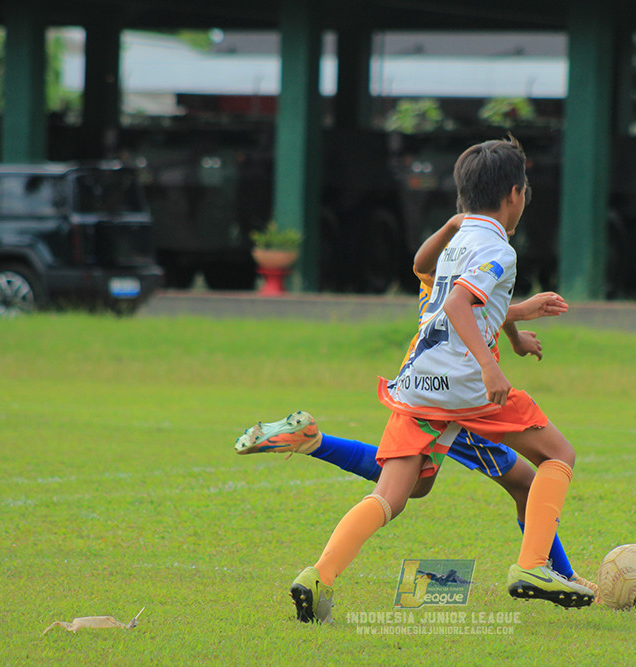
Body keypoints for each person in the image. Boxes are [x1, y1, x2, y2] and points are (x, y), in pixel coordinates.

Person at [287, 135, 593, 623]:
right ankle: (534, 565)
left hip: (417, 384)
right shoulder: (498, 248)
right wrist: (492, 366)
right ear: (515, 194)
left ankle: (318, 576)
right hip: (466, 387)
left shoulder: (458, 242)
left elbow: (428, 272)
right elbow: (457, 305)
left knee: (392, 495)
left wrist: (512, 334)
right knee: (559, 455)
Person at [234, 213, 597, 603]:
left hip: (417, 385)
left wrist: (514, 326)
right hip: (460, 397)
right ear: (512, 197)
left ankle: (313, 457)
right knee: (527, 480)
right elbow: (467, 308)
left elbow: (443, 284)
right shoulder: (487, 252)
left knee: (408, 487)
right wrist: (513, 328)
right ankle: (555, 571)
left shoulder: (446, 261)